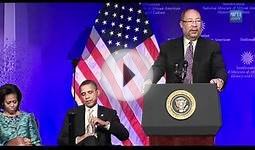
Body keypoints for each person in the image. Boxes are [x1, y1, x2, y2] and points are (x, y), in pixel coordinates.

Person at [145, 8, 227, 91]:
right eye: (190, 21)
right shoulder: (168, 47)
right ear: (181, 24)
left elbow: (219, 69)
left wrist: (219, 80)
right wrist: (149, 80)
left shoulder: (212, 47)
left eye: (198, 21)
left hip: (202, 97)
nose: (194, 25)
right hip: (175, 97)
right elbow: (158, 68)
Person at [58, 80, 129, 146]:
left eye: (90, 92)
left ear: (97, 93)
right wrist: (79, 139)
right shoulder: (73, 113)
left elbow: (124, 135)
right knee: (90, 140)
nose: (87, 97)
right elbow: (62, 139)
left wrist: (105, 125)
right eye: (83, 94)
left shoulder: (109, 113)